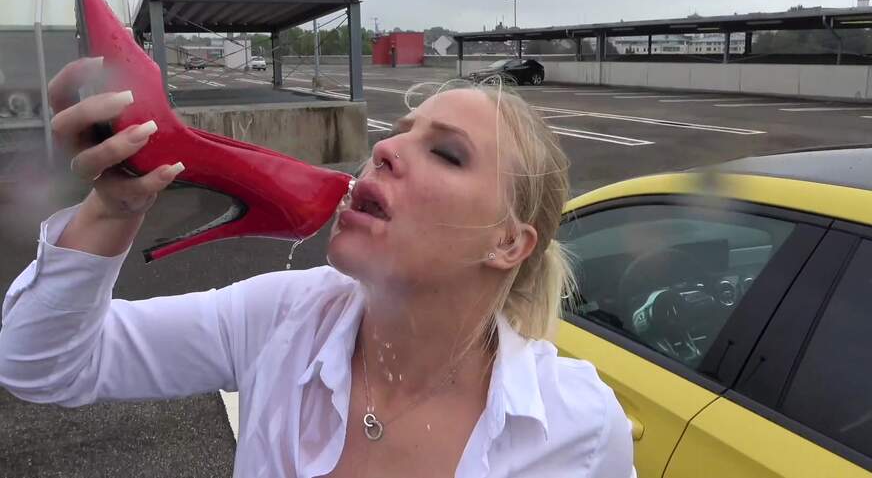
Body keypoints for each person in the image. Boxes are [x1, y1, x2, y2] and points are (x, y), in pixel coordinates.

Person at [0, 57, 635, 477]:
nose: (385, 148)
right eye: (398, 132)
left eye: (446, 153)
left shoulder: (577, 430)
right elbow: (43, 365)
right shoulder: (280, 317)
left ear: (508, 244)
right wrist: (111, 208)